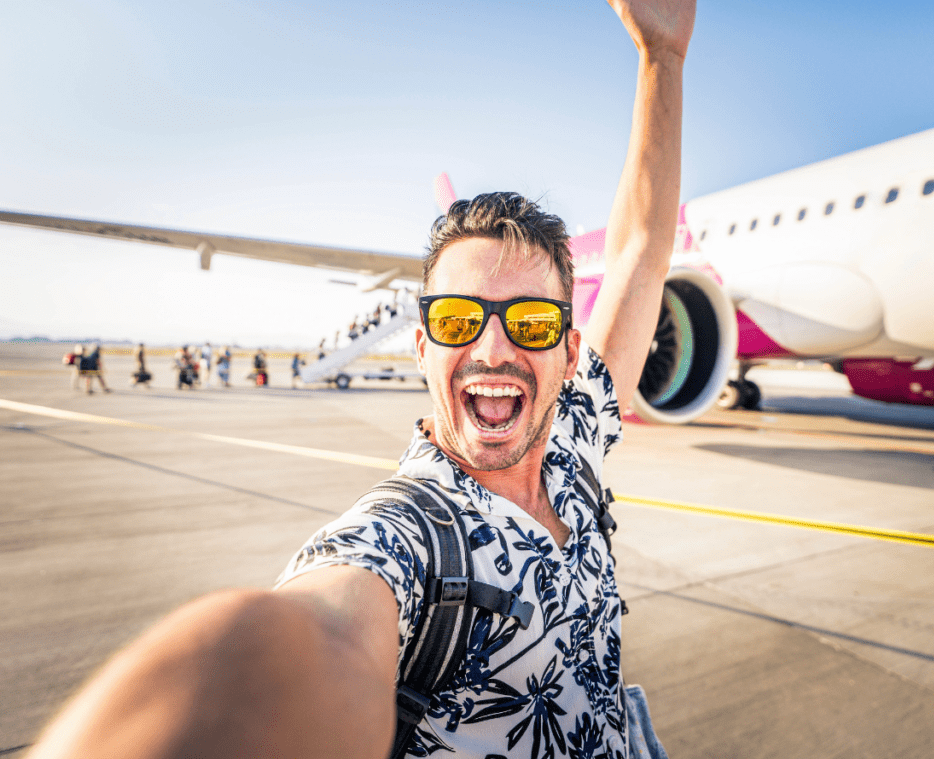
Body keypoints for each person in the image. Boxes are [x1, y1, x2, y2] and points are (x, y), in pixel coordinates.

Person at [25, 2, 694, 757]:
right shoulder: (407, 540)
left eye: (531, 324)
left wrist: (661, 58)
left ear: (569, 354)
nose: (495, 347)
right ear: (420, 346)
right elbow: (319, 637)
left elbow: (642, 250)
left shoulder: (573, 441)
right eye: (458, 319)